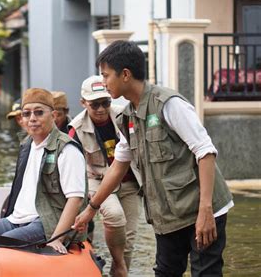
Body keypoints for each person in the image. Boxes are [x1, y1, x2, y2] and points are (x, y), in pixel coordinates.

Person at [73, 40, 233, 276]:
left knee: (205, 272)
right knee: (166, 271)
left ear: (125, 74)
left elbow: (205, 153)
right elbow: (118, 167)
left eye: (106, 75)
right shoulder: (128, 116)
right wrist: (91, 209)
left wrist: (206, 210)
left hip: (202, 207)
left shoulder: (168, 105)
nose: (104, 82)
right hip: (168, 214)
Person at [0, 88, 87, 254]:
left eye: (39, 113)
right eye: (26, 114)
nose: (32, 119)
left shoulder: (67, 149)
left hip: (46, 223)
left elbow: (76, 199)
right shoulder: (26, 145)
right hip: (15, 219)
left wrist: (57, 238)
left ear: (53, 116)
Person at [68, 75, 142, 276]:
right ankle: (118, 264)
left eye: (105, 102)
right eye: (94, 104)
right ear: (83, 103)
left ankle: (118, 272)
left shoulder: (124, 116)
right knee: (115, 216)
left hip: (129, 182)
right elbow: (71, 167)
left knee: (130, 238)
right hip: (96, 181)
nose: (101, 109)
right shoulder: (75, 130)